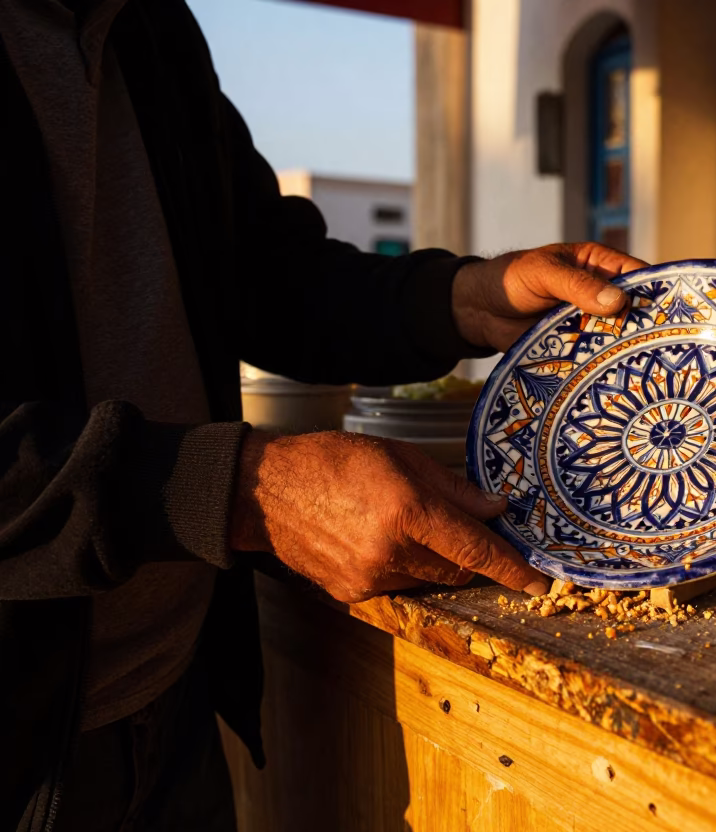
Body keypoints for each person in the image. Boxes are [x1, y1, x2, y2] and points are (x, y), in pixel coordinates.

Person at [0, 1, 646, 829]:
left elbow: (263, 272)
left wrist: (459, 297)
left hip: (170, 706)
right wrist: (243, 490)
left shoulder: (150, 24)